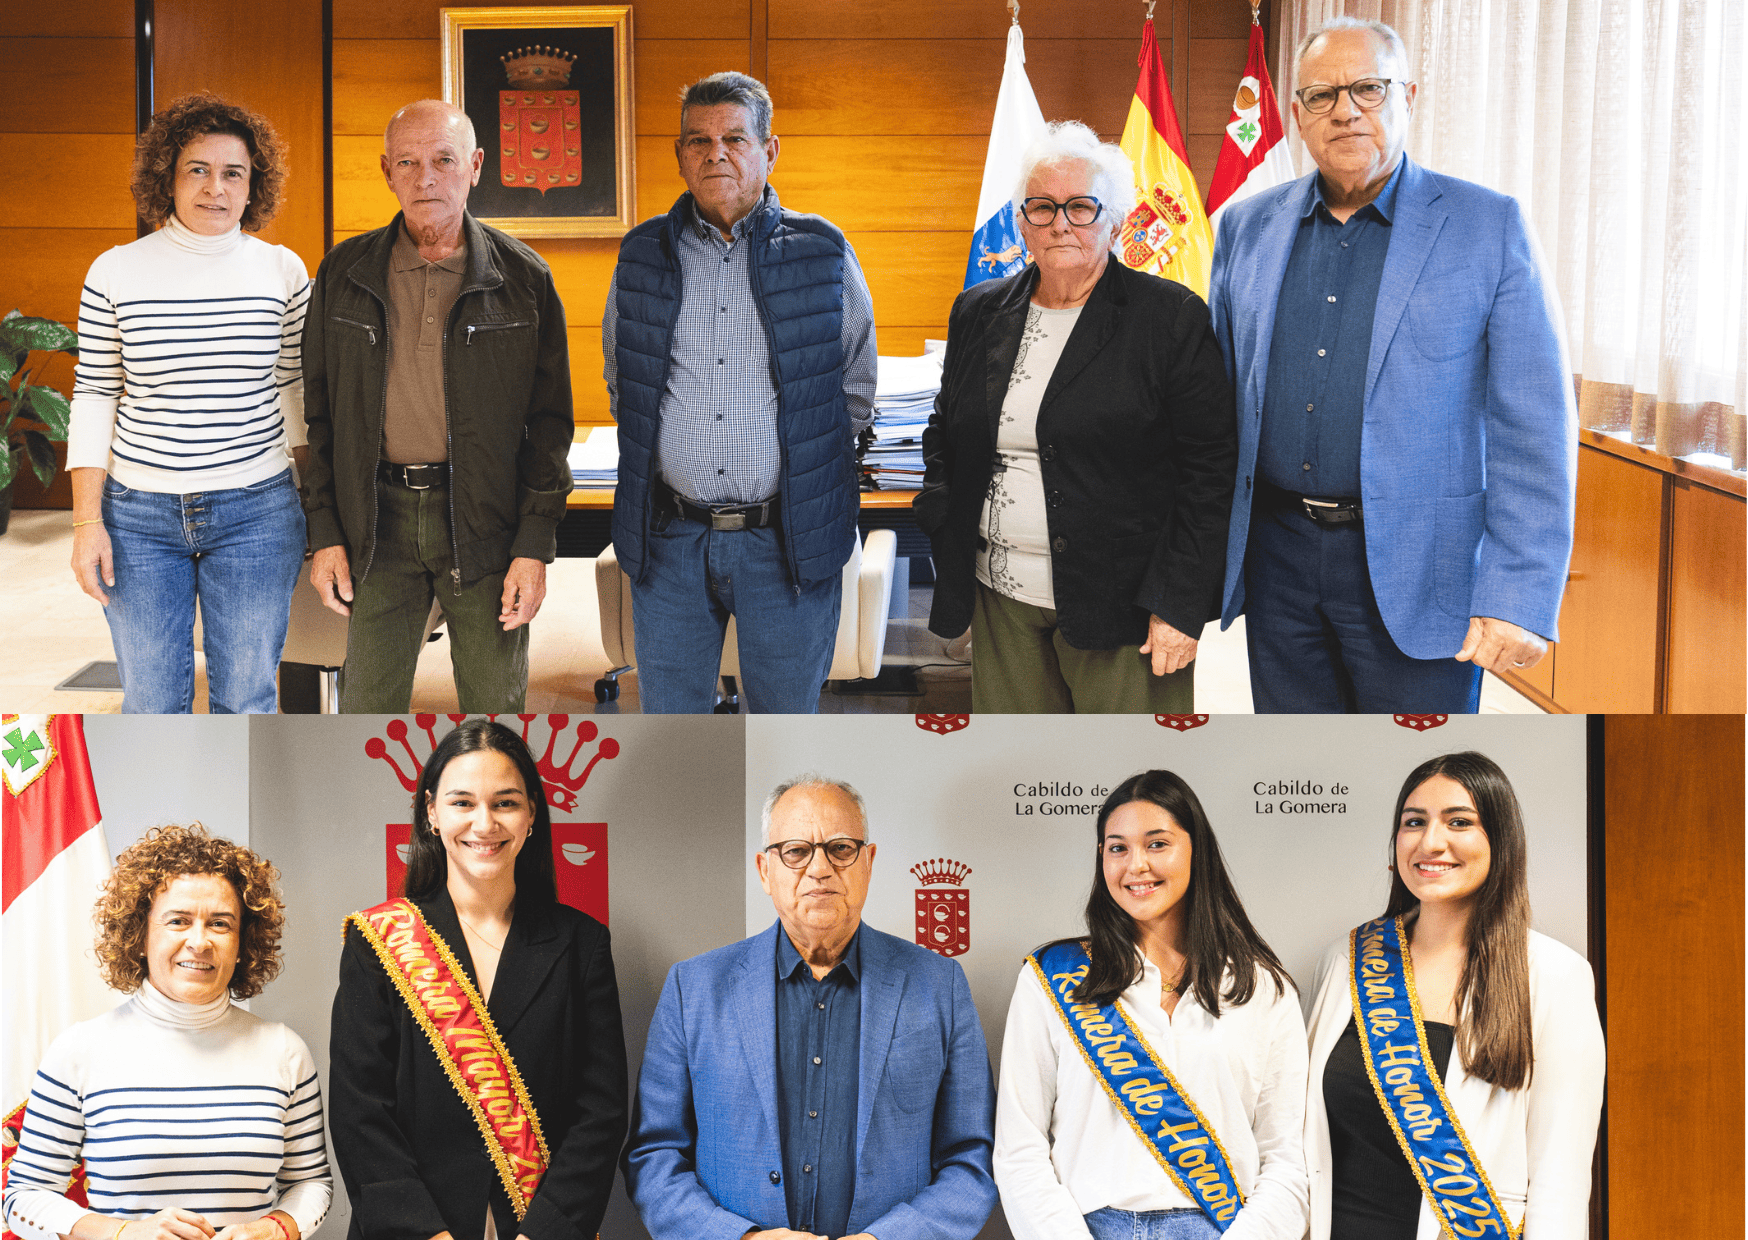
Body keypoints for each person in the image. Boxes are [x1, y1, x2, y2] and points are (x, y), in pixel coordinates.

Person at [1207, 17, 1577, 714]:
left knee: (1418, 763)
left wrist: (1519, 593)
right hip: (1277, 561)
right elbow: (1219, 403)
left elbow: (1534, 425)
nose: (1345, 110)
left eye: (1368, 89)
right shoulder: (1244, 227)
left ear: (1407, 96)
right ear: (1297, 114)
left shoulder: (1487, 226)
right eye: (1322, 95)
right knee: (1300, 766)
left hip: (1423, 566)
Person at [917, 122, 1237, 713]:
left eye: (1081, 207)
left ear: (1115, 222)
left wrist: (1179, 603)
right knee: (1021, 764)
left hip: (1125, 607)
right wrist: (947, 526)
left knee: (1129, 766)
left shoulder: (1169, 318)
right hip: (1000, 597)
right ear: (1021, 223)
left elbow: (1210, 473)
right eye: (1042, 207)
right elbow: (944, 433)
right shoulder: (978, 311)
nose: (1060, 223)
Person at [603, 72, 877, 713]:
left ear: (769, 151)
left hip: (785, 540)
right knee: (674, 733)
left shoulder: (823, 252)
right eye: (698, 141)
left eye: (734, 138)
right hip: (671, 538)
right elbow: (624, 380)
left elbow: (854, 392)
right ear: (680, 156)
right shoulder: (641, 254)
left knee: (783, 731)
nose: (715, 154)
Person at [623, 775, 997, 1240]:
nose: (820, 868)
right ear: (765, 870)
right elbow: (653, 1155)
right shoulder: (693, 988)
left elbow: (972, 1161)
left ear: (869, 863)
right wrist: (740, 1239)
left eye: (840, 849)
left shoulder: (940, 985)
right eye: (796, 851)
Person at [302, 100, 574, 713]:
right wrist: (325, 533)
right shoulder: (343, 272)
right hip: (376, 519)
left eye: (444, 160)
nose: (426, 178)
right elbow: (319, 415)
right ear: (387, 172)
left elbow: (550, 425)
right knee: (366, 710)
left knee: (495, 711)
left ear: (475, 167)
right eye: (408, 162)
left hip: (485, 520)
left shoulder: (524, 278)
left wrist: (534, 544)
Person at [328, 719, 627, 1240]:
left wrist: (545, 1233)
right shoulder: (378, 941)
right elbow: (360, 1112)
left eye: (505, 803)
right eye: (462, 802)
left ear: (532, 814)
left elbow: (601, 1111)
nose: (484, 823)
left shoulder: (582, 943)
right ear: (431, 812)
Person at [66, 94, 311, 713]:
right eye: (197, 169)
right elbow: (94, 393)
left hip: (257, 510)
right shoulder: (115, 271)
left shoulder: (283, 270)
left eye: (233, 173)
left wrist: (317, 503)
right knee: (152, 705)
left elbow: (296, 387)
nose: (215, 188)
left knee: (248, 699)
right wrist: (86, 524)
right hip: (138, 514)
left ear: (254, 185)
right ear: (167, 177)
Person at [1302, 752, 1605, 1240]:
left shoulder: (1554, 975)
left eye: (1459, 822)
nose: (1431, 842)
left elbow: (1561, 1181)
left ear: (1499, 840)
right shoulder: (1344, 960)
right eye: (1414, 822)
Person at [994, 771, 1307, 1240]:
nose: (1135, 865)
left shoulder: (1263, 988)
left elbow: (1286, 1160)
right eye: (1117, 848)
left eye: (1157, 844)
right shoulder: (1052, 978)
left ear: (1196, 850)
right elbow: (1019, 1149)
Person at [2, 825, 332, 1240]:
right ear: (140, 935)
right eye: (178, 921)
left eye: (220, 924)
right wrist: (124, 1233)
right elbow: (23, 1198)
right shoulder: (80, 1050)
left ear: (243, 942)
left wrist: (274, 1229)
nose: (200, 942)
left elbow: (312, 1183)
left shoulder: (284, 1050)